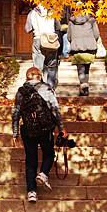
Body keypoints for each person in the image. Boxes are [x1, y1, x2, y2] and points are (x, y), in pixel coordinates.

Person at [12, 66, 66, 203]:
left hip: (27, 129)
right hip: (45, 128)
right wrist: (61, 127)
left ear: (26, 77)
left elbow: (16, 113)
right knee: (49, 154)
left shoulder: (21, 92)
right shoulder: (47, 88)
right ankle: (43, 174)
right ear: (40, 76)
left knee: (31, 160)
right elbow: (55, 109)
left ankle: (31, 192)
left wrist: (15, 133)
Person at [25, 4, 61, 89]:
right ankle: (51, 89)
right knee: (52, 67)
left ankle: (38, 88)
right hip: (51, 40)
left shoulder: (32, 13)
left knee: (37, 67)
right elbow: (58, 27)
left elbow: (27, 29)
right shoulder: (53, 12)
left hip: (38, 39)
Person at [68, 14, 100, 96]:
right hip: (89, 47)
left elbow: (69, 37)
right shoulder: (91, 20)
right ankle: (85, 87)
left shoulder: (71, 22)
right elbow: (96, 34)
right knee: (86, 69)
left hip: (77, 47)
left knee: (80, 69)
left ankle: (83, 86)